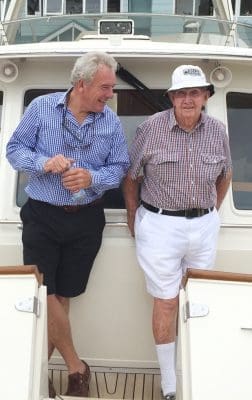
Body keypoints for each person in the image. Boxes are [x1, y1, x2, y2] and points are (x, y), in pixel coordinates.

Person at [6, 51, 130, 398]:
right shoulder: (41, 108)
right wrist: (44, 162)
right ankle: (77, 366)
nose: (110, 94)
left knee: (63, 294)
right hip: (43, 215)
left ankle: (40, 370)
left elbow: (120, 167)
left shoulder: (111, 122)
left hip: (87, 219)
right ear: (82, 84)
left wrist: (92, 177)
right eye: (105, 87)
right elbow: (14, 149)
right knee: (44, 293)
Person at [123, 65, 232, 400]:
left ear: (205, 97)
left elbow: (225, 174)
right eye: (181, 93)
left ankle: (196, 373)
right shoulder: (150, 129)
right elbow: (131, 177)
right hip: (160, 225)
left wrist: (211, 213)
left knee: (198, 299)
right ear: (171, 97)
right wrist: (132, 216)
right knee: (167, 301)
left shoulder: (218, 131)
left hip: (203, 224)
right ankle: (170, 385)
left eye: (195, 92)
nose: (188, 99)